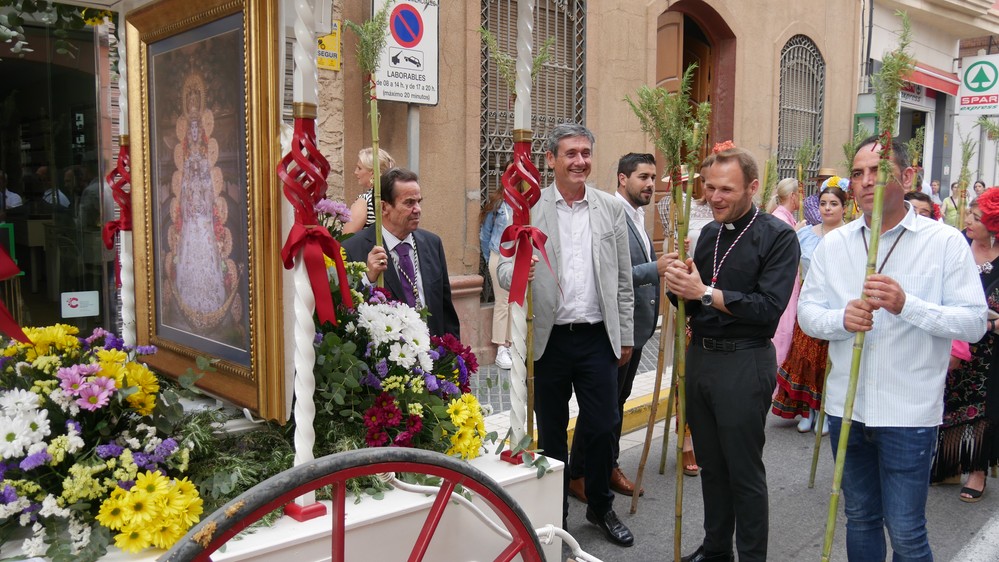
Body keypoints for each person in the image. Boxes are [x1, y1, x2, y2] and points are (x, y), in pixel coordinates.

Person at [798, 136, 986, 561]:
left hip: (908, 412)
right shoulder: (836, 243)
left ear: (906, 176)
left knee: (905, 532)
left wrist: (907, 306)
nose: (866, 182)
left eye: (877, 172)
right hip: (847, 409)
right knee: (860, 518)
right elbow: (809, 313)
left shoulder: (944, 243)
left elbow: (974, 323)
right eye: (859, 173)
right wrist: (840, 320)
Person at [497, 123, 635, 547]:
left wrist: (625, 333)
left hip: (597, 336)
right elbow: (498, 268)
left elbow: (624, 278)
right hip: (549, 339)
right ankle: (555, 515)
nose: (579, 161)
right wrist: (517, 271)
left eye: (585, 153)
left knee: (604, 422)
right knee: (552, 431)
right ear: (551, 160)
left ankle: (599, 504)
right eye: (570, 153)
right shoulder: (527, 208)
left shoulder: (610, 208)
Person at [664, 144, 800, 562]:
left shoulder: (778, 237)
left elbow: (767, 309)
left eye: (726, 189)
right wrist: (676, 284)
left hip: (745, 360)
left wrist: (704, 292)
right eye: (709, 188)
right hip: (702, 358)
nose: (715, 197)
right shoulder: (707, 234)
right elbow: (689, 304)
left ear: (753, 187)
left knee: (743, 472)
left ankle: (751, 556)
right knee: (711, 465)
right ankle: (717, 548)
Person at [567, 152, 666, 502]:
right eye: (642, 177)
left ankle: (606, 465)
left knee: (616, 404)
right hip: (614, 330)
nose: (650, 184)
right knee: (603, 408)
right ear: (623, 179)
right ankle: (579, 473)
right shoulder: (610, 215)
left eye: (653, 177)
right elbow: (609, 276)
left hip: (637, 327)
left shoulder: (637, 216)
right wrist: (656, 269)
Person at [931, 189, 999, 502]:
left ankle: (978, 471)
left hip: (991, 350)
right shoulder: (959, 243)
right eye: (970, 215)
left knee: (985, 405)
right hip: (956, 340)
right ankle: (950, 462)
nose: (969, 221)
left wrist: (991, 324)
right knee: (951, 398)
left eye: (977, 218)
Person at [343, 167, 460, 339]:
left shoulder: (432, 244)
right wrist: (369, 279)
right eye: (409, 203)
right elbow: (348, 312)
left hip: (433, 356)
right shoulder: (354, 249)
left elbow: (446, 311)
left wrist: (454, 359)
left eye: (419, 201)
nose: (418, 209)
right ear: (384, 207)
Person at [771, 178, 849, 435]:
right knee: (804, 356)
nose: (828, 209)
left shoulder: (850, 236)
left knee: (826, 361)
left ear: (844, 208)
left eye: (834, 204)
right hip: (808, 300)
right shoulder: (804, 233)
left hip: (836, 305)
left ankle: (826, 411)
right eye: (824, 203)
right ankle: (808, 410)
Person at [479, 161, 514, 369]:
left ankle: (512, 344)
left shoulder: (526, 203)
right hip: (499, 255)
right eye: (511, 173)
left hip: (520, 257)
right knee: (503, 301)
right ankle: (501, 348)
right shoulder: (498, 202)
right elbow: (485, 233)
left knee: (517, 302)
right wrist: (489, 258)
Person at [766, 177, 803, 365]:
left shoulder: (783, 219)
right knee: (782, 332)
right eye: (800, 195)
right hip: (783, 285)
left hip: (787, 283)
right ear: (793, 196)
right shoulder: (781, 221)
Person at [343, 148, 396, 235]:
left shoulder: (365, 201)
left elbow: (347, 239)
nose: (356, 172)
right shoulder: (394, 198)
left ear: (372, 172)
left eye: (359, 168)